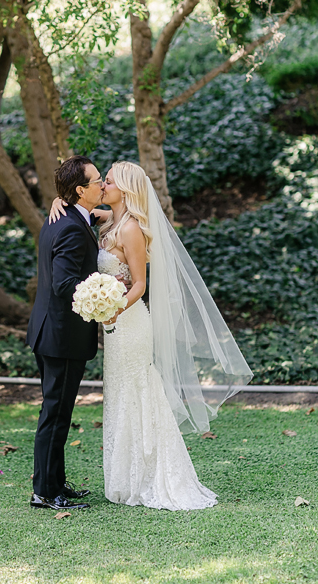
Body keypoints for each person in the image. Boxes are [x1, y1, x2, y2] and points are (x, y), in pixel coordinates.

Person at [49, 161, 253, 510]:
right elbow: (82, 210)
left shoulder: (131, 229)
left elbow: (140, 285)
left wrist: (113, 307)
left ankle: (154, 476)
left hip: (130, 322)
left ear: (124, 190)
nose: (103, 185)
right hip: (114, 328)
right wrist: (59, 202)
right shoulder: (109, 220)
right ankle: (127, 477)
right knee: (121, 393)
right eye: (101, 181)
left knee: (139, 391)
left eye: (108, 181)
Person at [25, 155, 103, 511]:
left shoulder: (64, 216)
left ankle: (54, 484)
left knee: (56, 413)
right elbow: (63, 284)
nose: (102, 185)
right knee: (55, 415)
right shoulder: (70, 226)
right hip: (62, 336)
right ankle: (44, 492)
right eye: (98, 181)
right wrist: (103, 289)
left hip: (50, 332)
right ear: (80, 190)